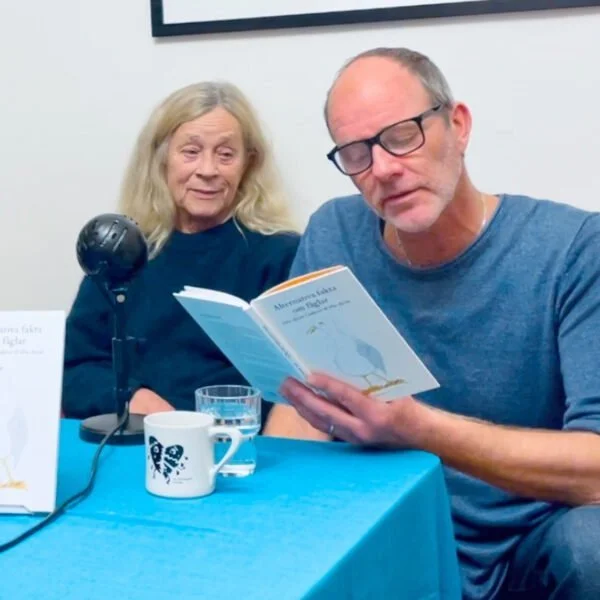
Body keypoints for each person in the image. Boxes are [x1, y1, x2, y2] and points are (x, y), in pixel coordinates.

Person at [264, 48, 600, 599]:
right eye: (356, 154)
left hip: (528, 546)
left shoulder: (573, 248)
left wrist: (419, 429)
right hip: (380, 532)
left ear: (458, 125)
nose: (384, 169)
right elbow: (305, 408)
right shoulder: (334, 234)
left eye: (403, 136)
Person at [63, 81, 299, 425]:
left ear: (248, 163)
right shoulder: (123, 252)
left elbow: (299, 387)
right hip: (135, 436)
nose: (208, 170)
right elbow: (74, 367)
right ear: (161, 159)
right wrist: (133, 397)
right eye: (191, 152)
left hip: (236, 443)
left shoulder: (283, 254)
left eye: (226, 154)